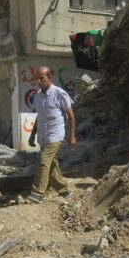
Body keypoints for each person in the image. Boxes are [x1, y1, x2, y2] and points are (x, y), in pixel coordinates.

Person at [27, 66, 76, 203]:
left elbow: (71, 116)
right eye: (37, 79)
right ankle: (64, 190)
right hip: (43, 136)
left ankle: (38, 192)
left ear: (49, 77)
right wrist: (32, 135)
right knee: (52, 165)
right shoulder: (38, 95)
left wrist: (72, 135)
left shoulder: (59, 93)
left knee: (44, 161)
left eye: (42, 78)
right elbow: (39, 117)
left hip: (55, 134)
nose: (39, 81)